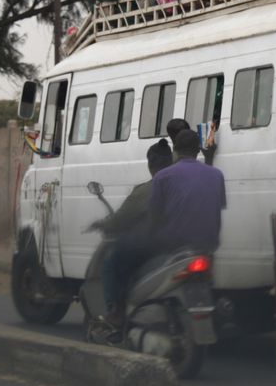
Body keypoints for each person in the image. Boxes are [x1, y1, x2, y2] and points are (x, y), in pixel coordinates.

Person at [102, 130, 226, 327]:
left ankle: (116, 310)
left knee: (115, 257)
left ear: (176, 151)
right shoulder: (216, 175)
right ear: (197, 150)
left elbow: (155, 218)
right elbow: (217, 210)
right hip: (208, 245)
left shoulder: (163, 177)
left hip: (172, 244)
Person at [97, 138, 174, 322]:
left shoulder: (146, 190)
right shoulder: (180, 184)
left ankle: (114, 311)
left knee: (110, 264)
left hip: (153, 246)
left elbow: (122, 218)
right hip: (179, 243)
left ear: (150, 164)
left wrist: (103, 225)